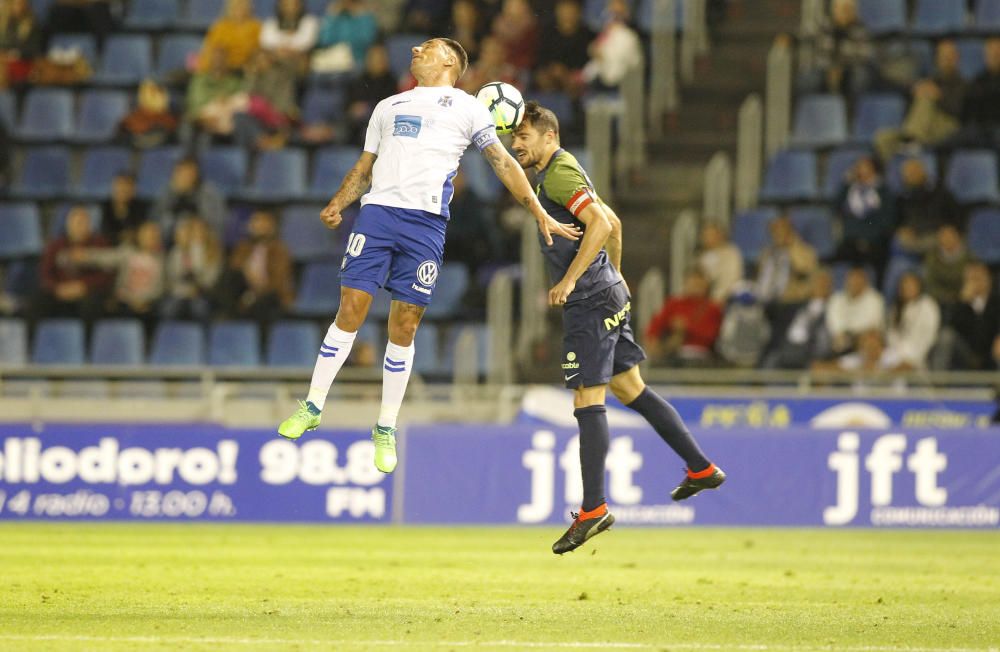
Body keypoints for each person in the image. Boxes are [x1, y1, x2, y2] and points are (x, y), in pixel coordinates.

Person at [276, 38, 579, 473]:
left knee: (406, 323)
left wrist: (537, 210)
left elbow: (502, 162)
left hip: (425, 224)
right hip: (377, 214)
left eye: (429, 46)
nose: (416, 48)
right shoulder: (387, 107)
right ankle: (312, 404)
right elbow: (364, 168)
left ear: (450, 61)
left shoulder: (469, 108)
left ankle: (385, 426)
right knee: (351, 308)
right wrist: (338, 203)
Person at [511, 101, 724, 554]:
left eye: (524, 137)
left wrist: (571, 279)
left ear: (550, 137)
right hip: (607, 293)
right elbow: (614, 224)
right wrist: (618, 276)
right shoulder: (563, 171)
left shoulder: (558, 175)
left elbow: (603, 222)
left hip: (589, 301)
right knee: (630, 389)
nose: (517, 145)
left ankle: (593, 509)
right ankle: (700, 467)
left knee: (589, 399)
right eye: (515, 138)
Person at [875, 40, 964, 161]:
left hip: (947, 125)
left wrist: (938, 96)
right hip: (924, 127)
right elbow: (911, 106)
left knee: (926, 97)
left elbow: (958, 109)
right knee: (882, 138)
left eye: (949, 56)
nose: (946, 60)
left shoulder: (962, 84)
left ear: (956, 58)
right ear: (937, 59)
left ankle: (912, 139)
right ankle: (893, 173)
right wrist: (916, 90)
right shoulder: (930, 80)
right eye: (943, 56)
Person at [34, 206, 114, 324]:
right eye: (76, 223)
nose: (79, 227)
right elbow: (45, 273)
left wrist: (84, 286)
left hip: (87, 292)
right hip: (60, 291)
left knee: (93, 304)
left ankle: (88, 341)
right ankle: (35, 340)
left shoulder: (100, 244)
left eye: (83, 223)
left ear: (89, 225)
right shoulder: (56, 245)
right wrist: (58, 288)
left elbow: (106, 274)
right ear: (68, 225)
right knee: (38, 301)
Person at [219, 210, 294, 322]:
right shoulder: (242, 248)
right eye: (256, 222)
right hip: (245, 291)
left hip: (269, 294)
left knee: (265, 303)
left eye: (263, 223)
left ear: (271, 227)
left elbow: (278, 280)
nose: (258, 227)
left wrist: (256, 291)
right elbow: (234, 271)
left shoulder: (279, 251)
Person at [833, 155, 896, 280]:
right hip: (850, 241)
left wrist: (869, 238)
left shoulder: (883, 191)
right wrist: (846, 184)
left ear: (873, 169)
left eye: (863, 166)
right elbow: (836, 207)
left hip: (874, 242)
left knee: (876, 258)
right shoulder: (850, 189)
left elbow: (888, 220)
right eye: (858, 166)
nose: (859, 169)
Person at [645, 268, 723, 366]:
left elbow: (713, 335)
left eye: (699, 284)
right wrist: (658, 347)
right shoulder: (674, 304)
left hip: (704, 357)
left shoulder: (713, 307)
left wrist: (686, 328)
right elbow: (654, 329)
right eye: (693, 283)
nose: (696, 287)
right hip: (675, 355)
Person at [762, 269, 833, 369]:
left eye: (825, 283)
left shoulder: (831, 308)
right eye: (818, 282)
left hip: (807, 352)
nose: (821, 286)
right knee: (770, 360)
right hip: (785, 348)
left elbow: (824, 342)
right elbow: (770, 309)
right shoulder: (798, 305)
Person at [934, 262, 999, 371]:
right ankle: (938, 384)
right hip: (965, 353)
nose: (977, 283)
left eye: (979, 278)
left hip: (990, 352)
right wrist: (963, 302)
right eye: (972, 279)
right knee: (946, 336)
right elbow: (950, 327)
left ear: (988, 279)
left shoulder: (996, 302)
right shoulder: (959, 303)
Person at [801, 0, 873, 96]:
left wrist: (841, 68)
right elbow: (817, 54)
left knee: (861, 76)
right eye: (841, 9)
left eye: (848, 9)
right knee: (809, 76)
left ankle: (853, 106)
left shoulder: (861, 30)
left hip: (849, 71)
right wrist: (830, 68)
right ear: (834, 10)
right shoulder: (823, 27)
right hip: (824, 69)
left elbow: (863, 57)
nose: (845, 12)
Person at [161, 216, 223, 322]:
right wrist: (182, 290)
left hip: (203, 294)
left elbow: (210, 280)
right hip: (179, 292)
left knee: (199, 308)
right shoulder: (177, 251)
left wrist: (198, 286)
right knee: (168, 308)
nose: (198, 234)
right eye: (193, 230)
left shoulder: (212, 252)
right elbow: (171, 277)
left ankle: (200, 337)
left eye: (201, 230)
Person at [152, 157, 227, 239]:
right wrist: (176, 195)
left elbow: (218, 223)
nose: (185, 177)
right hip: (170, 241)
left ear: (196, 175)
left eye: (189, 173)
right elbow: (155, 219)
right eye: (181, 173)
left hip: (202, 240)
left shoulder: (208, 192)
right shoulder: (167, 191)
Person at [534, 0, 594, 95]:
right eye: (563, 8)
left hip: (576, 81)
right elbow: (540, 61)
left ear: (579, 12)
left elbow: (589, 67)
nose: (567, 13)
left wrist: (567, 75)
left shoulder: (588, 36)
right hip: (551, 78)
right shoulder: (547, 33)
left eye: (571, 9)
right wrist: (553, 70)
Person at [343, 44, 399, 146]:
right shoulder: (358, 81)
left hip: (381, 126)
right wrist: (352, 110)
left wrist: (367, 109)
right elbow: (347, 106)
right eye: (374, 58)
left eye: (381, 58)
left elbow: (391, 108)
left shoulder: (392, 82)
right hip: (356, 126)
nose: (378, 62)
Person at [883, 272, 940, 371]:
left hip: (919, 356)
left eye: (912, 284)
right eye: (905, 284)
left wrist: (909, 357)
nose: (908, 288)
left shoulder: (927, 305)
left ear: (919, 286)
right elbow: (891, 336)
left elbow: (927, 336)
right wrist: (898, 355)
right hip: (895, 355)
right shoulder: (896, 308)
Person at [825, 265, 885, 355]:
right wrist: (843, 334)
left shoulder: (875, 299)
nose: (855, 283)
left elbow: (873, 325)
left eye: (859, 279)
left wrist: (853, 336)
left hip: (863, 338)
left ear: (865, 281)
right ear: (847, 281)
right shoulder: (837, 299)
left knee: (871, 336)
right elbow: (834, 324)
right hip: (841, 339)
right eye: (852, 279)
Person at [312, 0, 377, 74]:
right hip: (334, 61)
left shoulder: (364, 16)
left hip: (357, 60)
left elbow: (367, 39)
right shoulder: (336, 16)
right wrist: (332, 16)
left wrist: (360, 15)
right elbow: (325, 39)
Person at [199, 0, 262, 72]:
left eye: (244, 5)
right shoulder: (220, 27)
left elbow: (259, 52)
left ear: (250, 8)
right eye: (237, 5)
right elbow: (209, 52)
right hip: (224, 69)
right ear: (229, 8)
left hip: (247, 70)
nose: (241, 8)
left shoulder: (257, 27)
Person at [924, 224, 974, 311]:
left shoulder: (970, 256)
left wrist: (962, 295)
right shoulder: (932, 256)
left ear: (958, 237)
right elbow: (930, 283)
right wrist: (949, 297)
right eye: (943, 235)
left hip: (964, 297)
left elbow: (975, 278)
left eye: (951, 235)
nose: (947, 239)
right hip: (940, 299)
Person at [260, 0, 318, 73]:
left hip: (298, 59)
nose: (291, 7)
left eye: (294, 4)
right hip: (274, 58)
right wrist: (280, 50)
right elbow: (266, 41)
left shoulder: (309, 21)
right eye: (286, 4)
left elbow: (306, 42)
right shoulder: (271, 21)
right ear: (280, 5)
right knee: (263, 61)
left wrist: (288, 48)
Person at [697, 222, 743, 304]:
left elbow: (731, 280)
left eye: (710, 235)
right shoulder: (702, 257)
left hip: (724, 299)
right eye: (705, 235)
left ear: (720, 235)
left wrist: (718, 298)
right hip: (702, 299)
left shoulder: (731, 253)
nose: (706, 238)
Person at [0, 0, 43, 87]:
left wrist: (14, 54)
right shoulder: (4, 22)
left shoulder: (33, 24)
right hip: (5, 61)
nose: (18, 6)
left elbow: (34, 50)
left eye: (21, 3)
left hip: (24, 63)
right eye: (15, 3)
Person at [101, 172, 149, 245]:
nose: (124, 190)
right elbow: (103, 233)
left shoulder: (141, 208)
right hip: (108, 248)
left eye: (128, 186)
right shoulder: (104, 208)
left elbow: (142, 231)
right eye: (120, 185)